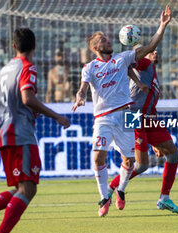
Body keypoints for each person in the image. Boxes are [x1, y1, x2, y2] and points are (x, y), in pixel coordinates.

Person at [71, 5, 172, 217]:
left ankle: (121, 189)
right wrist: (80, 95)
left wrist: (162, 25)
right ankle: (103, 197)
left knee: (133, 162)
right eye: (104, 40)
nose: (109, 41)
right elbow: (83, 86)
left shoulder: (123, 57)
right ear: (96, 47)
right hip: (104, 118)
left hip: (129, 113)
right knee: (98, 157)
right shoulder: (90, 67)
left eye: (108, 39)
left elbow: (152, 45)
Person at [0, 28, 70, 232]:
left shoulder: (2, 70)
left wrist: (14, 110)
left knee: (19, 189)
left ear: (14, 46)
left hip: (3, 134)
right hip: (20, 133)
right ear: (34, 46)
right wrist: (56, 116)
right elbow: (27, 98)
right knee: (28, 188)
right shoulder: (27, 67)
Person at [107, 48, 178, 213]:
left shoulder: (152, 70)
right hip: (134, 117)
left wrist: (155, 143)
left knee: (174, 154)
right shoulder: (145, 63)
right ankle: (112, 187)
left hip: (149, 118)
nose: (155, 52)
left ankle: (164, 198)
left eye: (157, 50)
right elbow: (128, 62)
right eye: (152, 51)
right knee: (141, 165)